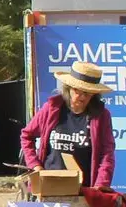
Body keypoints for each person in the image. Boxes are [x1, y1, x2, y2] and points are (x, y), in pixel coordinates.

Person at [21, 61, 116, 189]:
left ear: (94, 93)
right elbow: (26, 136)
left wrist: (100, 185)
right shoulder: (51, 108)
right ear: (69, 87)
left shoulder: (102, 116)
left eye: (87, 93)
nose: (82, 97)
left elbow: (107, 154)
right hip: (48, 184)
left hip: (84, 188)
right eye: (78, 91)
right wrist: (35, 166)